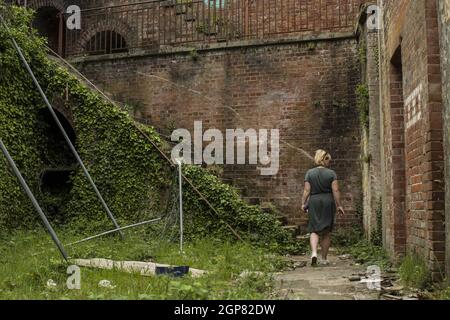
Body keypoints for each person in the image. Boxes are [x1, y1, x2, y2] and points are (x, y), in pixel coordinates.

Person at [301, 149, 345, 266]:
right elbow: (335, 190)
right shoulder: (331, 174)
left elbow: (307, 190)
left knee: (314, 229)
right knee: (326, 232)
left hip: (314, 201)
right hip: (327, 201)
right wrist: (339, 205)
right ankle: (324, 258)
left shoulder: (309, 173)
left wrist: (303, 203)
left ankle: (314, 252)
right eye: (328, 160)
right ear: (324, 159)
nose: (329, 163)